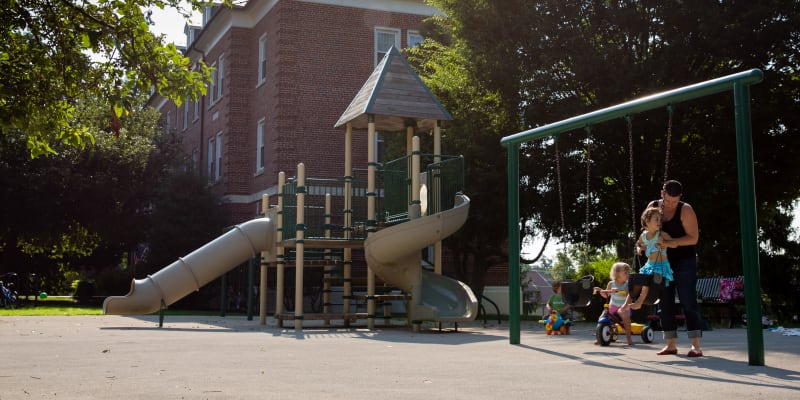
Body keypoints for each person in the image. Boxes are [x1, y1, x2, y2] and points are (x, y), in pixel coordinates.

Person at [646, 180, 702, 357]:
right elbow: (645, 228)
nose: (671, 205)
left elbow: (693, 239)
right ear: (662, 195)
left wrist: (671, 242)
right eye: (668, 201)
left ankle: (695, 346)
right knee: (665, 302)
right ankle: (671, 344)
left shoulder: (686, 210)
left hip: (685, 260)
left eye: (675, 201)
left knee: (688, 300)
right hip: (663, 262)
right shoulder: (653, 206)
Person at [631, 206, 674, 310]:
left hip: (660, 266)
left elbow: (674, 243)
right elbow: (638, 244)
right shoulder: (643, 236)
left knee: (646, 282)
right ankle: (627, 302)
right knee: (637, 281)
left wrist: (664, 243)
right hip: (649, 265)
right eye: (656, 219)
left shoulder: (661, 234)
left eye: (660, 219)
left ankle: (639, 302)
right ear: (647, 221)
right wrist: (638, 249)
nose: (659, 222)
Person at [594, 262, 635, 345]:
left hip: (624, 306)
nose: (628, 274)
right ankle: (600, 336)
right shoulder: (611, 283)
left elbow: (628, 294)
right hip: (613, 306)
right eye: (625, 273)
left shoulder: (627, 284)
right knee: (601, 317)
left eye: (628, 273)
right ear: (617, 273)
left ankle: (628, 338)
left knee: (626, 318)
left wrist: (619, 291)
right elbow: (606, 295)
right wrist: (601, 290)